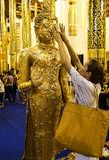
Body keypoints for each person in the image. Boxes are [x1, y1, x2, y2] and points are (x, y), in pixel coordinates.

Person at [18, 7, 71, 160]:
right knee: (39, 133)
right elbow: (21, 85)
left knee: (53, 132)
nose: (51, 31)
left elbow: (63, 80)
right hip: (37, 98)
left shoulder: (58, 51)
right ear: (37, 28)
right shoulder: (29, 52)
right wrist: (31, 84)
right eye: (47, 27)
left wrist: (68, 102)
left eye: (54, 27)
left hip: (56, 98)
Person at [51, 24, 105, 160]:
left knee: (83, 156)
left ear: (88, 74)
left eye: (84, 67)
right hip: (87, 128)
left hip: (84, 132)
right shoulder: (95, 84)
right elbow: (75, 60)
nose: (80, 67)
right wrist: (65, 39)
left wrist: (58, 40)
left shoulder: (85, 84)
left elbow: (66, 62)